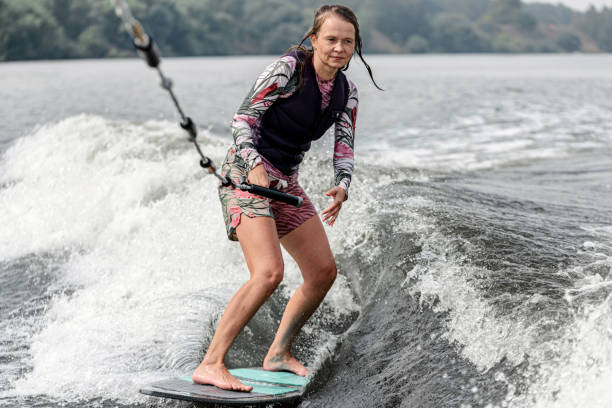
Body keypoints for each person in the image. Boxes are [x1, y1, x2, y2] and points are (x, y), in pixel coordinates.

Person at [192, 4, 381, 392]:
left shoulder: (347, 92)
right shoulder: (288, 69)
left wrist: (342, 185)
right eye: (330, 39)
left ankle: (278, 352)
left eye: (348, 41)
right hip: (245, 177)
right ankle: (211, 364)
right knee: (268, 273)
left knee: (322, 272)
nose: (338, 48)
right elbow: (242, 119)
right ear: (314, 40)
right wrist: (254, 162)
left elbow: (344, 148)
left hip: (284, 185)